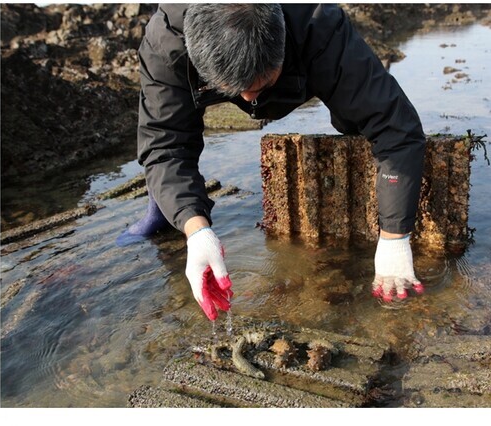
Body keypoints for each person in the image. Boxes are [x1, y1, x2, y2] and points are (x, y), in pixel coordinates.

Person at [125, 4, 428, 319]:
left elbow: (396, 128)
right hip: (195, 65)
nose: (247, 98)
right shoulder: (166, 42)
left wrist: (395, 236)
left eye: (259, 85)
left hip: (307, 49)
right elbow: (165, 144)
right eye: (235, 89)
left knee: (360, 118)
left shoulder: (317, 22)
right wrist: (195, 228)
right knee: (169, 164)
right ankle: (166, 207)